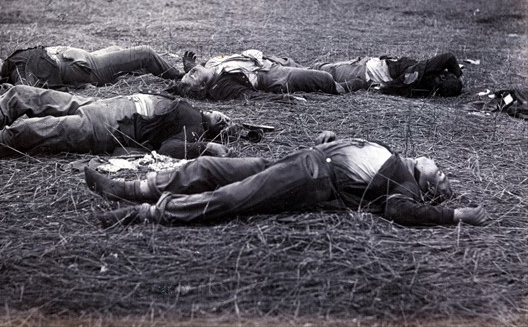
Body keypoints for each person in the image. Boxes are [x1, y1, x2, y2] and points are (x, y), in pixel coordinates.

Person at [86, 130, 488, 227]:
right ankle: (130, 187)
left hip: (311, 178)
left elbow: (402, 211)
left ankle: (145, 213)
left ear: (429, 186)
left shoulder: (406, 183)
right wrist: (333, 138)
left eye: (444, 174)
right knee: (209, 168)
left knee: (234, 197)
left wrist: (455, 215)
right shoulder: (396, 156)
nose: (439, 164)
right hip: (302, 159)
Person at [0, 85, 233, 159]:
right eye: (225, 116)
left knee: (32, 130)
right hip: (98, 105)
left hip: (106, 129)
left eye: (225, 124)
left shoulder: (194, 130)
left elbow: (168, 149)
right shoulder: (188, 104)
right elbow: (186, 82)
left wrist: (208, 146)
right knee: (21, 93)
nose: (224, 119)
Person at [169, 49, 367, 100]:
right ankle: (351, 86)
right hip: (275, 75)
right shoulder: (222, 86)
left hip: (274, 61)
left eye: (189, 73)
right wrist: (282, 99)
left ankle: (358, 71)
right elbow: (251, 96)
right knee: (323, 79)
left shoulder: (209, 65)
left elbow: (194, 72)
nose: (192, 72)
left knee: (322, 69)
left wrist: (190, 67)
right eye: (193, 75)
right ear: (204, 86)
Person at [0, 45, 183, 89]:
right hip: (89, 67)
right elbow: (28, 90)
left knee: (118, 49)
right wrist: (11, 88)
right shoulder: (18, 73)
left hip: (85, 58)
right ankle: (181, 78)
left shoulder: (13, 62)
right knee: (144, 54)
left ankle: (150, 70)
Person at [312, 53, 463, 97]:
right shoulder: (420, 74)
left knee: (319, 71)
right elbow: (449, 57)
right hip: (364, 68)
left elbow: (449, 58)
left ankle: (289, 66)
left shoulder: (421, 77)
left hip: (363, 71)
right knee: (319, 69)